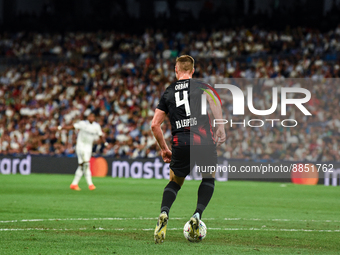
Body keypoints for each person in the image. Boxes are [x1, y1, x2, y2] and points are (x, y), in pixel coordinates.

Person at [151, 55, 226, 243]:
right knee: (208, 178)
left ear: (176, 70)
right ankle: (197, 215)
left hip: (181, 143)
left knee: (175, 183)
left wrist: (164, 149)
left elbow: (154, 125)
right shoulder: (202, 86)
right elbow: (214, 103)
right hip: (204, 142)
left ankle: (164, 212)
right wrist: (220, 126)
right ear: (192, 70)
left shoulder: (168, 92)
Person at [50, 113, 108, 191]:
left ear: (94, 118)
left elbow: (101, 135)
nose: (91, 117)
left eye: (93, 116)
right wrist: (59, 128)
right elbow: (70, 127)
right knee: (86, 163)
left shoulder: (96, 126)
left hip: (88, 147)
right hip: (81, 146)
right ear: (87, 117)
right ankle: (90, 184)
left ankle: (74, 184)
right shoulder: (82, 124)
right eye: (90, 116)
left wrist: (105, 143)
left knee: (82, 166)